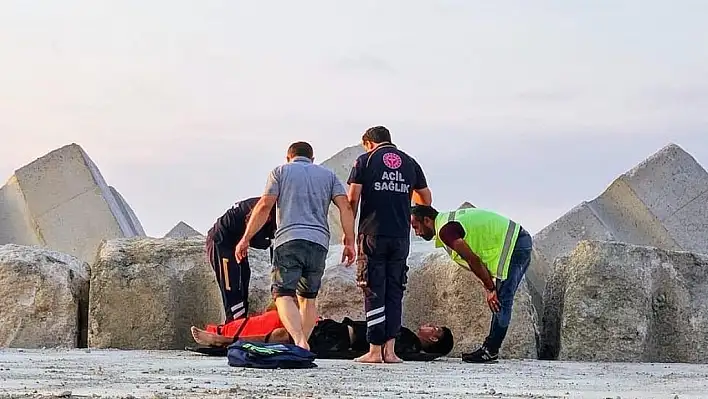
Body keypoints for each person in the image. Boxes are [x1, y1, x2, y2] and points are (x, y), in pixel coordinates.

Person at [234, 141, 356, 351]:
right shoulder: (328, 175)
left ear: (288, 157)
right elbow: (345, 206)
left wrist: (246, 238)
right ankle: (302, 346)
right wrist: (349, 240)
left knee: (282, 294)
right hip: (319, 242)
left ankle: (299, 340)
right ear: (312, 158)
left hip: (289, 239)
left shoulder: (280, 172)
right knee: (308, 298)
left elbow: (265, 205)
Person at [346, 126, 432, 363]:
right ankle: (391, 351)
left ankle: (374, 350)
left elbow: (352, 199)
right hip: (400, 236)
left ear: (368, 143)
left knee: (373, 288)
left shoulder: (365, 160)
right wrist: (407, 210)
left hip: (372, 233)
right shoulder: (409, 162)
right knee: (395, 291)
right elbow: (425, 198)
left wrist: (348, 234)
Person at [410, 204, 533, 363]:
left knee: (501, 302)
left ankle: (490, 350)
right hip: (516, 241)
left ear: (427, 220)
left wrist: (490, 288)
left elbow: (472, 258)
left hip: (514, 245)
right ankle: (489, 349)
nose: (416, 232)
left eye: (416, 226)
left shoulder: (446, 231)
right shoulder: (447, 223)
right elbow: (477, 256)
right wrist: (488, 284)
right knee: (499, 300)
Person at [189, 311, 454, 361]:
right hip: (334, 330)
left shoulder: (406, 345)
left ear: (433, 340)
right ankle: (223, 335)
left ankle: (222, 341)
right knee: (281, 323)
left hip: (335, 339)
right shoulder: (405, 336)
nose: (431, 326)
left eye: (436, 329)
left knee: (284, 334)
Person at [206, 198, 277, 322]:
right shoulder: (268, 206)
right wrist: (269, 242)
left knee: (243, 282)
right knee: (232, 290)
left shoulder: (282, 209)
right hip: (222, 243)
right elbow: (253, 230)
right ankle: (233, 330)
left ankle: (242, 326)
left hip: (238, 243)